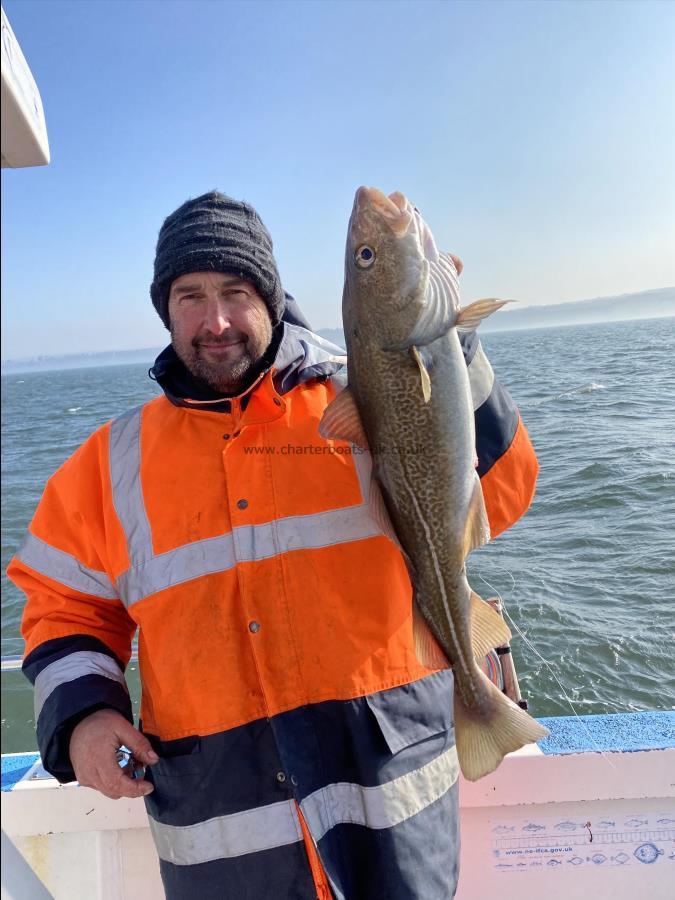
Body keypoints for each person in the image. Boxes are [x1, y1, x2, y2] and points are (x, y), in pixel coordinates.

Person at [7, 191, 539, 900]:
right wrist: (83, 716)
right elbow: (65, 608)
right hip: (220, 829)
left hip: (394, 806)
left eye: (235, 290)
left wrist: (452, 354)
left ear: (272, 294)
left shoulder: (362, 399)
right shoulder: (108, 463)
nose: (215, 320)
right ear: (164, 309)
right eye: (190, 296)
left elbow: (498, 496)